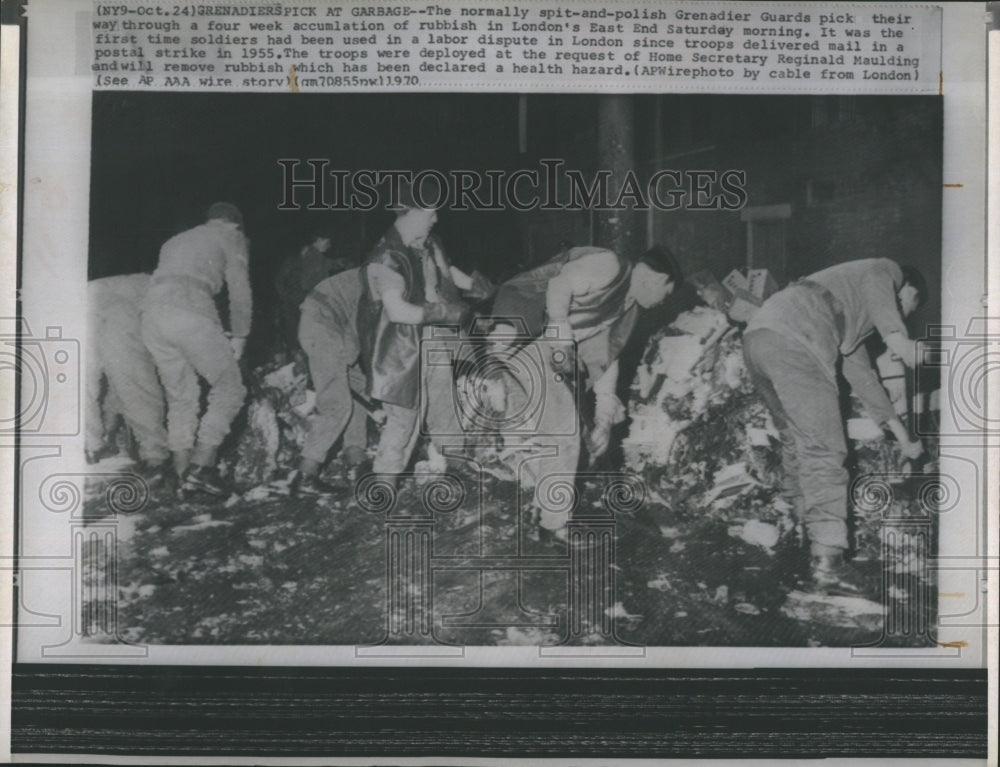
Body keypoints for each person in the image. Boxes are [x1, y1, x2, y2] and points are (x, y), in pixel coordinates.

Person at [742, 258, 926, 594]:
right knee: (824, 449)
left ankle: (798, 527)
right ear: (907, 290)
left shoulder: (846, 310)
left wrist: (903, 437)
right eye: (910, 306)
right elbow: (879, 285)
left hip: (759, 338)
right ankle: (828, 564)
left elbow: (865, 379)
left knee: (795, 440)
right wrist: (900, 340)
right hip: (797, 339)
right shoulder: (885, 269)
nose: (906, 314)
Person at [487, 244, 682, 536]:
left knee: (546, 435)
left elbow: (605, 359)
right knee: (564, 432)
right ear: (657, 279)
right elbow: (559, 285)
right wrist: (561, 334)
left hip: (541, 345)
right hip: (526, 334)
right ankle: (553, 526)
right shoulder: (611, 266)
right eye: (666, 294)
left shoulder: (627, 307)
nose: (660, 303)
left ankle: (537, 510)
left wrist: (604, 418)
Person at [357, 183, 479, 482]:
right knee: (404, 415)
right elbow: (398, 311)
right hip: (397, 346)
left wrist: (479, 286)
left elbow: (447, 273)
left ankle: (455, 457)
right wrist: (442, 312)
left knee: (443, 399)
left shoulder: (427, 243)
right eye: (431, 213)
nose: (435, 218)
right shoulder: (386, 258)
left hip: (430, 336)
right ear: (411, 213)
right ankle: (384, 482)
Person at [141, 202, 251, 496]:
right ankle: (203, 468)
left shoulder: (176, 240)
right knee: (231, 388)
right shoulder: (231, 236)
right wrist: (240, 335)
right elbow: (240, 290)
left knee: (181, 397)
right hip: (190, 303)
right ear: (234, 224)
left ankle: (181, 473)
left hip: (152, 312)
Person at [292, 267, 371, 497]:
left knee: (359, 385)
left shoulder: (373, 272)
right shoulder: (383, 279)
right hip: (324, 326)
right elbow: (360, 332)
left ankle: (356, 457)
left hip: (326, 322)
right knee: (336, 404)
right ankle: (306, 474)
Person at [85, 273, 169, 477]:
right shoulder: (173, 295)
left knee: (82, 381)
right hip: (122, 307)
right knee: (137, 381)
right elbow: (129, 377)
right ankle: (155, 456)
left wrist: (110, 423)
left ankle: (92, 446)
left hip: (81, 299)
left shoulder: (149, 280)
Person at [276, 231, 353, 352]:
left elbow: (329, 264)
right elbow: (307, 283)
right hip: (305, 303)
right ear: (319, 240)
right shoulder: (314, 257)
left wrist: (341, 262)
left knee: (297, 338)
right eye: (327, 241)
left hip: (293, 303)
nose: (330, 245)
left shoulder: (309, 255)